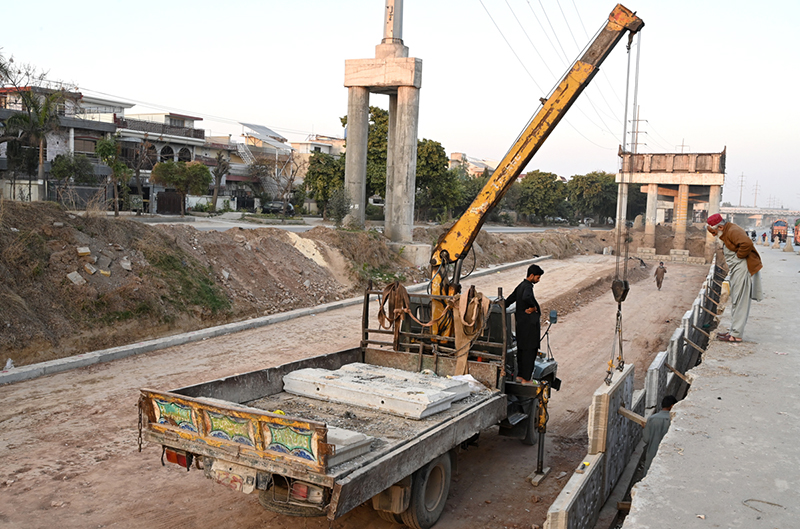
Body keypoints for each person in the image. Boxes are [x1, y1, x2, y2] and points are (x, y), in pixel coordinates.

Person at [706, 213, 763, 342]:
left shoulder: (732, 231)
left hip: (742, 268)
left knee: (741, 301)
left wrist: (739, 257)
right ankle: (733, 331)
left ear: (720, 227)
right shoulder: (727, 231)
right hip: (737, 269)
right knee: (736, 300)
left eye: (714, 232)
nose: (714, 235)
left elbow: (747, 244)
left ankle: (736, 335)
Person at [506, 264, 543, 384]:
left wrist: (500, 305)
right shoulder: (527, 287)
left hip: (521, 327)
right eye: (537, 277)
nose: (538, 280)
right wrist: (533, 307)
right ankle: (526, 379)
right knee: (530, 352)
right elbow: (526, 297)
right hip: (529, 328)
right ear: (531, 275)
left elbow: (510, 299)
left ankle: (520, 376)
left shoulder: (521, 286)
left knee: (521, 351)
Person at [642, 395, 678, 476]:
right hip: (668, 456)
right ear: (672, 406)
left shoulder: (651, 419)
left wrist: (645, 428)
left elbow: (646, 439)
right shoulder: (674, 420)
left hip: (652, 454)